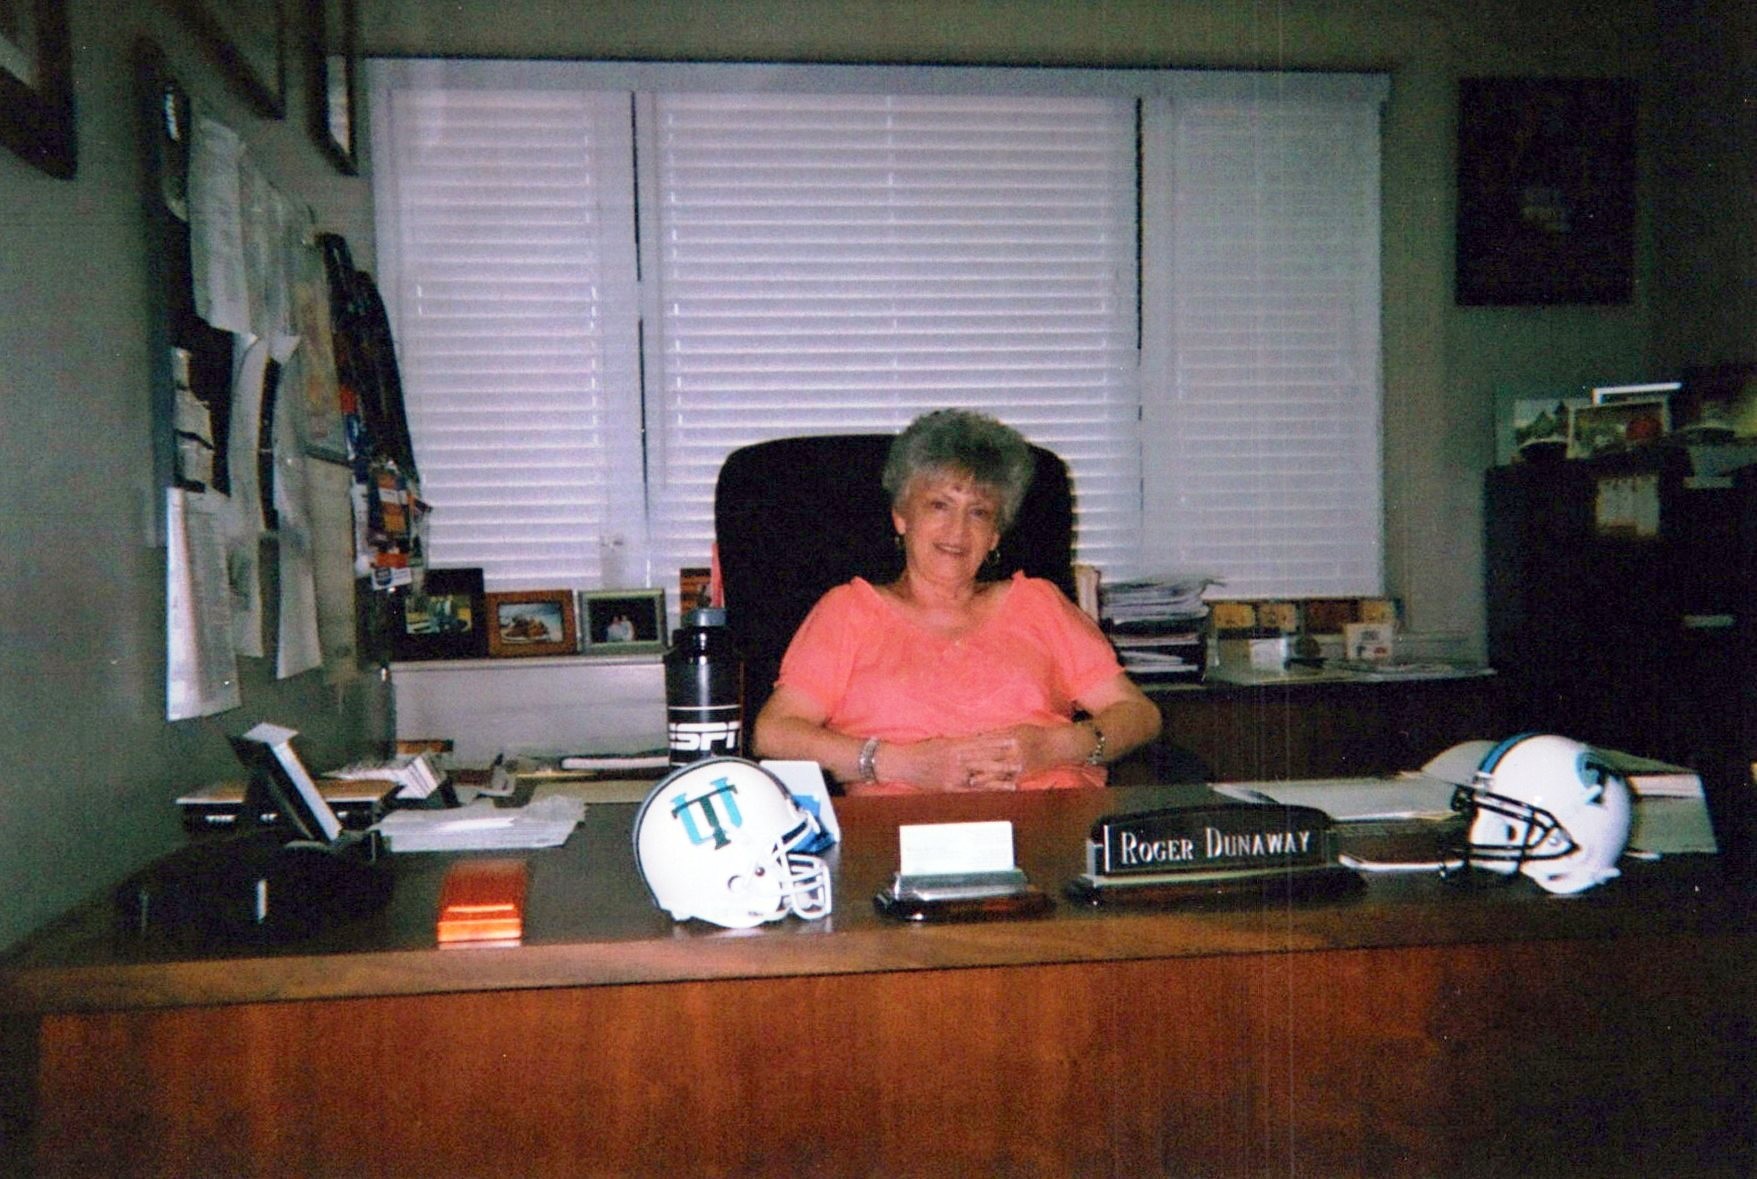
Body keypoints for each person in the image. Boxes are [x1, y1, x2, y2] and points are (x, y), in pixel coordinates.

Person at [753, 409, 1161, 793]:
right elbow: (773, 733)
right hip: (905, 830)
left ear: (995, 535)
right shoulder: (848, 612)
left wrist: (1054, 747)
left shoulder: (1039, 603)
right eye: (939, 505)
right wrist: (904, 764)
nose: (957, 530)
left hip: (1050, 820)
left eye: (979, 512)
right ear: (901, 517)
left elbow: (1139, 714)